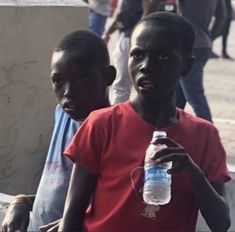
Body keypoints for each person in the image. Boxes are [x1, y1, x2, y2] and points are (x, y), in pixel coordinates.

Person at [59, 12, 231, 231]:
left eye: (162, 57)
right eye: (138, 55)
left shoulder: (204, 135)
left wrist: (193, 172)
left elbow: (221, 223)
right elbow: (72, 215)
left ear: (186, 65)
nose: (146, 66)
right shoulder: (101, 124)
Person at [1, 30, 115, 232]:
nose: (68, 92)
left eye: (81, 79)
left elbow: (112, 208)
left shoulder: (113, 132)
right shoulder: (63, 115)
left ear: (109, 77)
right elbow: (58, 191)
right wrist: (23, 201)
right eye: (58, 82)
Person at [103, 0, 164, 104]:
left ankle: (118, 116)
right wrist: (108, 32)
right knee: (128, 84)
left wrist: (137, 34)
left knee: (122, 86)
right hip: (133, 38)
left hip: (130, 39)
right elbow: (123, 19)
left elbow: (142, 13)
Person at [176, 0, 225, 122]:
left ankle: (210, 134)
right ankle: (169, 131)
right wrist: (210, 36)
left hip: (188, 47)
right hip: (203, 45)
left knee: (195, 97)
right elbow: (223, 17)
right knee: (177, 97)